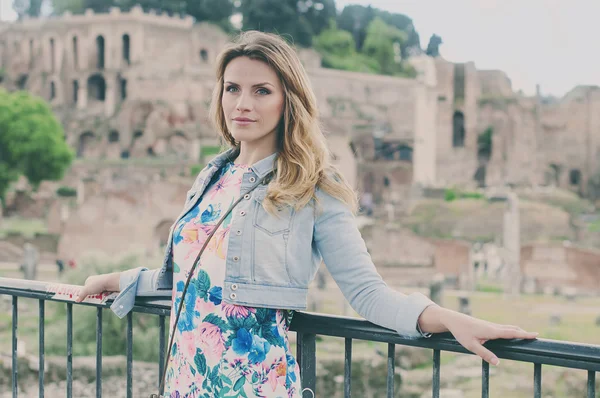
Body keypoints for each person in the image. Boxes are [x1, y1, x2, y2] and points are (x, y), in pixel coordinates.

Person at [76, 31, 538, 397]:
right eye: (232, 88)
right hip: (183, 384)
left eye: (261, 91)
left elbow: (367, 292)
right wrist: (117, 280)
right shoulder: (210, 179)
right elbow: (187, 280)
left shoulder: (312, 188)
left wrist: (448, 318)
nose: (243, 103)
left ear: (287, 101)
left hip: (256, 387)